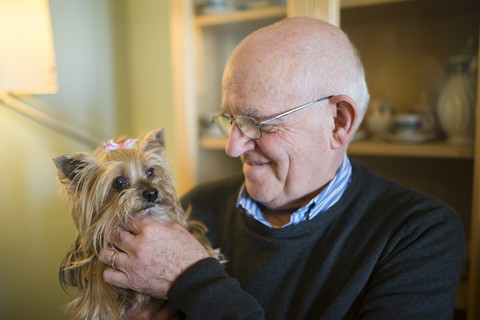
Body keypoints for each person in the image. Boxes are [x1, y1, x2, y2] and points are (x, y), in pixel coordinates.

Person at [100, 17, 464, 319]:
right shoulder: (196, 207)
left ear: (338, 122)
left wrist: (193, 280)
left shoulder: (420, 233)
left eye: (256, 122)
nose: (233, 146)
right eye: (230, 120)